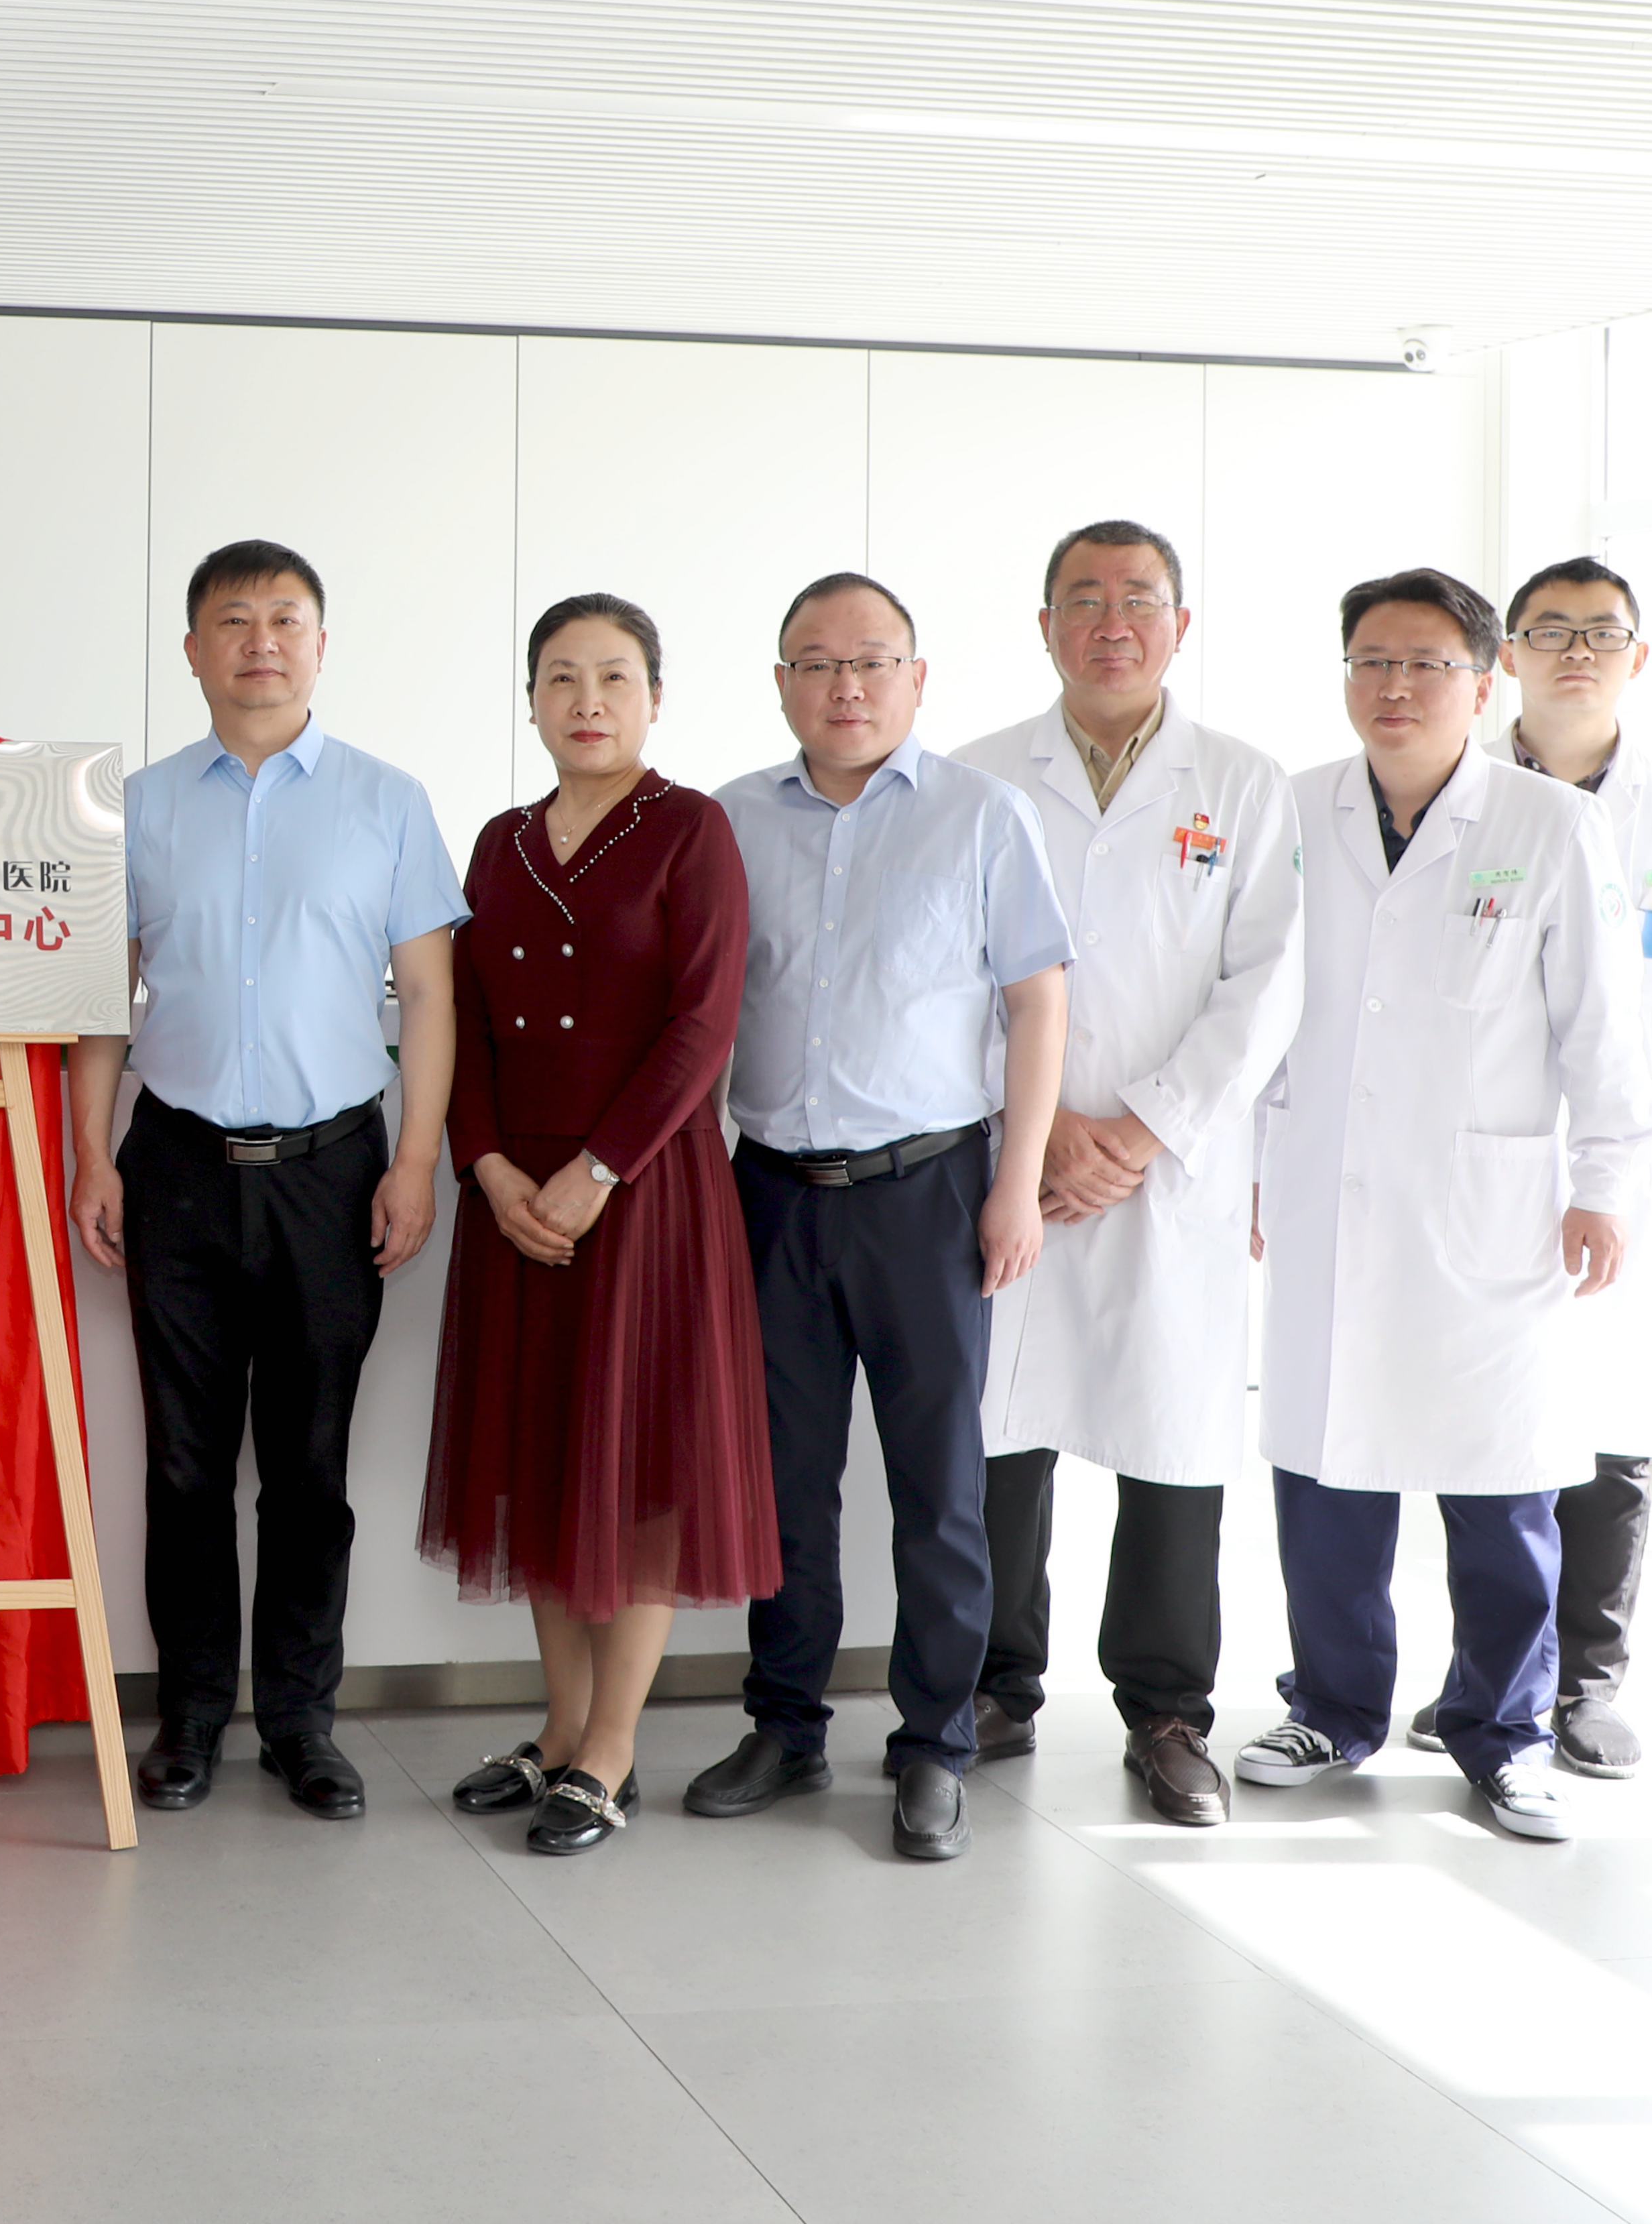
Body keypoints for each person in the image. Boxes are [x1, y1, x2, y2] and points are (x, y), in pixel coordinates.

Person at [1239, 568, 1652, 1844]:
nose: (1395, 686)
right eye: (1372, 660)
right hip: (1323, 1185)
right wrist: (1250, 1168)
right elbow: (1254, 1008)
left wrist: (1604, 1184)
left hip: (1489, 1206)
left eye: (1426, 664)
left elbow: (1603, 1030)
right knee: (1324, 1467)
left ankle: (1503, 1730)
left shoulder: (1549, 826)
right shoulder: (1292, 809)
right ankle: (1331, 1706)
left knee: (1499, 1485)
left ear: (1482, 684)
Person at [69, 539, 461, 1826]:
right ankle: (188, 1717)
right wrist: (90, 1154)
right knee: (183, 1465)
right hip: (175, 1163)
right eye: (232, 620)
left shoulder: (385, 800)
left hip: (331, 1171)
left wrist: (415, 1158)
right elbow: (102, 1001)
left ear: (320, 645)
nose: (260, 641)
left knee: (308, 1466)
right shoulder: (135, 806)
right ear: (191, 650)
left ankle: (301, 1720)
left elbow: (430, 996)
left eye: (285, 619)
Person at [691, 571, 1069, 1863]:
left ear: (915, 678)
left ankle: (932, 1745)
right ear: (780, 683)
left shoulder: (981, 814)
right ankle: (784, 1724)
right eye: (815, 662)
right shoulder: (731, 820)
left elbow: (1037, 1001)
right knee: (782, 1482)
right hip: (771, 1193)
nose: (844, 685)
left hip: (928, 1193)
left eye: (870, 661)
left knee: (939, 1487)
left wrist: (1015, 1182)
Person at [951, 522, 1303, 1828]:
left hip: (1170, 1169)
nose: (1111, 622)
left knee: (1170, 1435)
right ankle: (991, 1685)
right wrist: (1040, 1124)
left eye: (1138, 599)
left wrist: (1144, 1129)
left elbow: (1267, 982)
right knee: (999, 1428)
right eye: (1083, 599)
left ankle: (1164, 1712)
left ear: (1179, 624)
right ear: (1043, 624)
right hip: (1018, 1158)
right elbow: (949, 970)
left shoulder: (1244, 783)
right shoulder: (979, 777)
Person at [429, 595, 774, 1857]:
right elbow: (458, 1019)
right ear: (529, 699)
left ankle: (613, 1750)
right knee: (543, 1454)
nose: (587, 700)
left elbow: (702, 1023)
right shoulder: (500, 840)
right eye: (562, 677)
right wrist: (483, 1166)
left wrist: (596, 1168)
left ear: (654, 698)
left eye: (614, 677)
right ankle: (561, 1728)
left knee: (634, 1471)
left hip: (643, 1197)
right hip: (516, 1201)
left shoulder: (690, 828)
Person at [1413, 558, 1652, 1782]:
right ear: (1505, 654)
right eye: (1549, 630)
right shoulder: (1455, 788)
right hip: (1487, 1151)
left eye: (1601, 633)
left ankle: (1586, 1682)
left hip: (1643, 1157)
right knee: (1485, 1426)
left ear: (1637, 656)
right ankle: (1484, 1677)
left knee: (1616, 1423)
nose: (1576, 651)